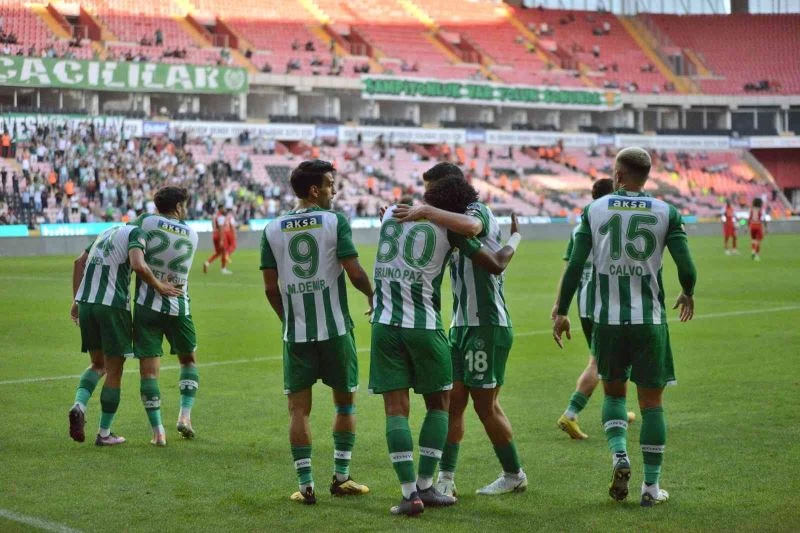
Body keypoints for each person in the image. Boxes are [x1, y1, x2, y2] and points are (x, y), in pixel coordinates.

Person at [553, 147, 697, 507]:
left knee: (614, 395)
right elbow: (687, 267)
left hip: (607, 321)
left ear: (617, 174)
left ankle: (619, 455)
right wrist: (688, 292)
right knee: (652, 405)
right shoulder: (666, 211)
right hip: (649, 321)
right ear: (646, 176)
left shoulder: (594, 210)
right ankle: (651, 488)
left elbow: (575, 265)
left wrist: (561, 310)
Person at [371, 171, 521, 516]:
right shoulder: (444, 226)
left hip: (482, 324)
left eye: (429, 193)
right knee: (447, 403)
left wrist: (516, 237)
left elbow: (492, 257)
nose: (423, 197)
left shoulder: (459, 216)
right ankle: (440, 481)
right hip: (443, 325)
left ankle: (512, 474)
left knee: (479, 406)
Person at [260, 160, 374, 505]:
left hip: (296, 334)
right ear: (314, 190)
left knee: (298, 410)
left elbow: (270, 288)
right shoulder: (334, 221)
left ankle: (306, 486)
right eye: (329, 184)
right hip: (335, 328)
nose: (333, 191)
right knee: (345, 404)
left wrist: (288, 319)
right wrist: (372, 295)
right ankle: (341, 478)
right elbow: (354, 271)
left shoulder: (272, 228)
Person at [68, 224, 181, 446]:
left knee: (97, 364)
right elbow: (138, 264)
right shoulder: (136, 233)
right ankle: (104, 433)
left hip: (87, 304)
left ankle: (79, 405)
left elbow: (79, 262)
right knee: (114, 370)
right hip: (112, 307)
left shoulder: (105, 233)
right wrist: (159, 285)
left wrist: (76, 299)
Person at [553, 178, 635, 439]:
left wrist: (559, 305)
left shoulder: (580, 226)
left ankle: (618, 408)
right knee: (600, 361)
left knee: (611, 358)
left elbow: (569, 268)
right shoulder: (616, 223)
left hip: (584, 302)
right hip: (608, 302)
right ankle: (570, 413)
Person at [130, 187, 200, 445]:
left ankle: (158, 432)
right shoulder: (192, 234)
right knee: (188, 361)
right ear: (179, 206)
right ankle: (185, 416)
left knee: (148, 373)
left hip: (146, 306)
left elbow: (127, 237)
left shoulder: (145, 221)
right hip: (178, 306)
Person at [203, 207, 231, 274]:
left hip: (214, 235)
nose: (225, 210)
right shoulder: (221, 217)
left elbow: (213, 225)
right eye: (224, 208)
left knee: (218, 252)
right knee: (224, 251)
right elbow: (221, 228)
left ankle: (207, 263)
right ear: (220, 209)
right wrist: (221, 239)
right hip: (219, 235)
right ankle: (223, 269)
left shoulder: (214, 216)